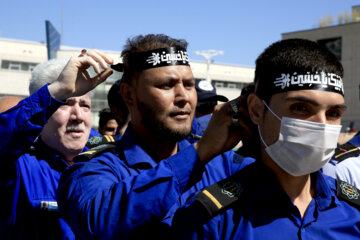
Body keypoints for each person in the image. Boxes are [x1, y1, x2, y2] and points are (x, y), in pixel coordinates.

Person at [56, 33, 254, 239]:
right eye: (166, 85)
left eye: (188, 85)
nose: (183, 97)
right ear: (129, 95)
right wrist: (198, 155)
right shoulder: (94, 169)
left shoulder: (223, 165)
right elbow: (98, 222)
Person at [171, 38, 360, 239]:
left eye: (333, 113)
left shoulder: (353, 210)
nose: (321, 125)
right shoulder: (211, 218)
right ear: (257, 110)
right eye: (300, 108)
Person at [0, 54, 113, 239]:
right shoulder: (18, 167)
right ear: (43, 112)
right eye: (66, 103)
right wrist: (57, 91)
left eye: (84, 105)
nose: (77, 116)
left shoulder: (109, 157)